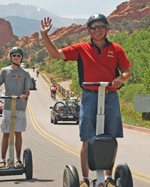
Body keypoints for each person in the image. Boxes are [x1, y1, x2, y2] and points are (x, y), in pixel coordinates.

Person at [41, 13, 131, 187]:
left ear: (107, 29)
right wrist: (45, 35)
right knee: (87, 138)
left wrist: (121, 78)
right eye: (94, 27)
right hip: (90, 95)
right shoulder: (81, 48)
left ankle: (108, 178)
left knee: (110, 137)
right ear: (89, 30)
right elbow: (56, 54)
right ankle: (84, 178)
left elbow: (126, 71)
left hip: (110, 95)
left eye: (101, 27)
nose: (97, 30)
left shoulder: (116, 49)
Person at [0, 47, 31, 168]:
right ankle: (3, 159)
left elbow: (27, 91)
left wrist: (24, 95)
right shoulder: (5, 71)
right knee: (6, 133)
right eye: (14, 55)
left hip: (20, 106)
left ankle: (18, 159)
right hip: (8, 106)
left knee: (18, 133)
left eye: (18, 55)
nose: (16, 57)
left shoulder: (25, 73)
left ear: (21, 57)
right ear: (10, 57)